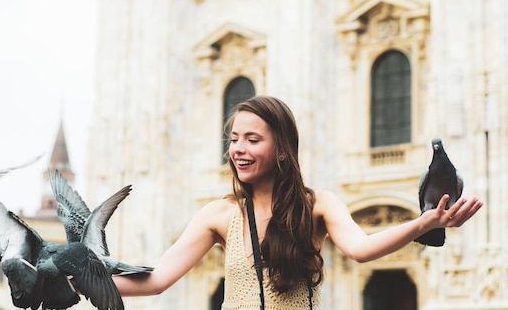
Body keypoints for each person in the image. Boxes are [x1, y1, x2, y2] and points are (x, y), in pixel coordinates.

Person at [113, 95, 483, 309]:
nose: (239, 149)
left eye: (253, 140)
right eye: (234, 139)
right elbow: (157, 279)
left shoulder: (318, 205)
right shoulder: (220, 213)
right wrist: (77, 282)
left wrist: (424, 223)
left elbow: (362, 248)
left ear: (282, 149)